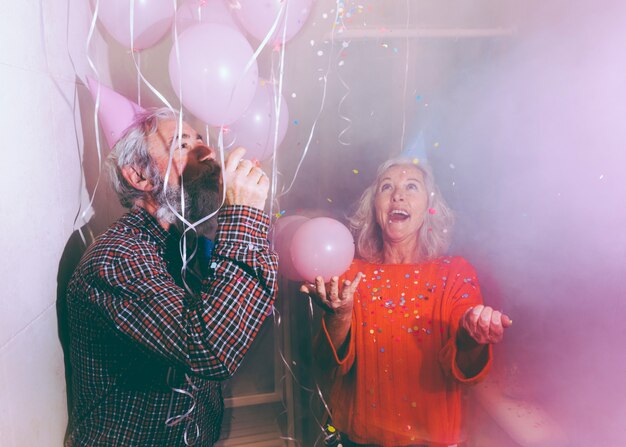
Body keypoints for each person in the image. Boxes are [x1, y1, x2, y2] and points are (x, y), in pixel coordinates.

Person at [65, 107, 278, 446]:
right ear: (140, 177)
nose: (206, 152)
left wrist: (236, 219)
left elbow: (243, 317)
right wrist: (244, 216)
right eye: (181, 145)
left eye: (200, 140)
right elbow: (212, 349)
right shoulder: (117, 257)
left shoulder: (186, 241)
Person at [302, 158, 512, 447]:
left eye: (411, 187)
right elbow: (326, 363)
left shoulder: (454, 273)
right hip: (357, 440)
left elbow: (466, 371)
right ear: (374, 208)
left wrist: (470, 337)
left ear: (429, 207)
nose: (397, 195)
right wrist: (338, 317)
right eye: (386, 187)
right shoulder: (350, 273)